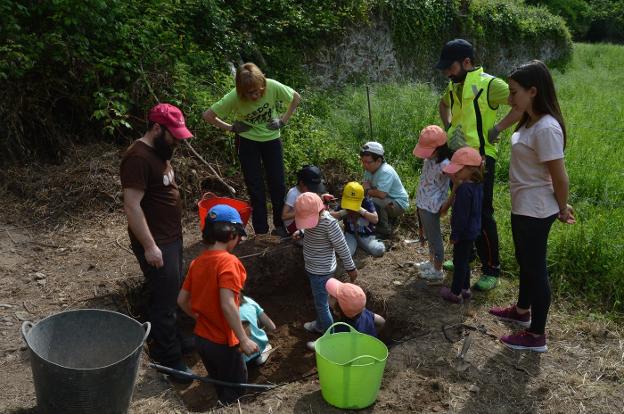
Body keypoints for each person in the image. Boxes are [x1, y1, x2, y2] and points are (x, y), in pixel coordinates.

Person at [489, 60, 575, 352]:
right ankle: (522, 311)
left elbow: (559, 176)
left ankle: (536, 335)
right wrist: (499, 126)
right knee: (526, 262)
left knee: (535, 269)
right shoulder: (529, 119)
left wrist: (563, 208)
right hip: (524, 205)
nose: (510, 100)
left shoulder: (546, 128)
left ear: (533, 91)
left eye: (514, 93)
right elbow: (512, 117)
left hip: (536, 210)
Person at [436, 38, 521, 291]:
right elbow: (443, 104)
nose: (446, 73)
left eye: (449, 67)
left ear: (467, 62)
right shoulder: (454, 86)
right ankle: (466, 255)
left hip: (481, 162)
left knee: (482, 213)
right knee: (461, 207)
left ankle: (491, 267)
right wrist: (449, 126)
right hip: (458, 159)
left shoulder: (490, 85)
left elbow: (521, 103)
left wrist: (498, 127)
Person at [120, 103, 193, 381]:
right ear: (156, 128)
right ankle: (169, 359)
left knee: (171, 292)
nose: (178, 141)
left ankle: (175, 340)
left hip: (169, 237)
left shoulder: (160, 150)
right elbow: (132, 206)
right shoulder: (137, 158)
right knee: (164, 301)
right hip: (157, 241)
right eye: (174, 135)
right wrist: (150, 246)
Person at [203, 63, 301, 237]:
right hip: (247, 142)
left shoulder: (271, 85)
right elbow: (208, 115)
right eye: (250, 93)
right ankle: (261, 231)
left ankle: (280, 226)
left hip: (271, 140)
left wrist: (283, 120)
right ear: (241, 91)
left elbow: (296, 98)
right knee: (255, 187)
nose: (256, 95)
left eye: (259, 91)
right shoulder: (234, 96)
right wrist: (231, 128)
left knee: (277, 184)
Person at [177, 204, 259, 404]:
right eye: (239, 235)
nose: (239, 241)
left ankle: (223, 402)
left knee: (220, 382)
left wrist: (200, 317)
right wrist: (244, 339)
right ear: (231, 234)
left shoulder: (197, 262)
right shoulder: (229, 263)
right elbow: (227, 304)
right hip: (224, 342)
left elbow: (181, 300)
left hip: (202, 340)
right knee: (237, 387)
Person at [293, 192, 358, 334]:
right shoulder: (314, 217)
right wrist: (302, 232)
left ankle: (330, 336)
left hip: (321, 272)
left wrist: (350, 267)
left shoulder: (329, 223)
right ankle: (320, 324)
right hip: (313, 268)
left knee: (321, 305)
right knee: (321, 301)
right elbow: (309, 226)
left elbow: (342, 247)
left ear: (319, 210)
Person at [439, 147, 484, 303]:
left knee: (459, 263)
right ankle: (465, 289)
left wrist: (455, 235)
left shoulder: (464, 189)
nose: (455, 173)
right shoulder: (478, 186)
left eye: (458, 170)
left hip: (463, 232)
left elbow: (460, 216)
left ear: (470, 169)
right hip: (473, 230)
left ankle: (455, 293)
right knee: (465, 261)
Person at [412, 125, 453, 281]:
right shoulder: (430, 159)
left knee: (435, 238)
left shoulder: (445, 165)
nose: (426, 155)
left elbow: (456, 182)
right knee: (429, 235)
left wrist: (447, 203)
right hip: (423, 202)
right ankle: (431, 262)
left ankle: (437, 270)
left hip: (433, 205)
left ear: (439, 148)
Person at [306, 278, 385, 350]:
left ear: (337, 311)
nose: (328, 295)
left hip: (355, 356)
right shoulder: (364, 312)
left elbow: (330, 345)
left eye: (331, 296)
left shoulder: (341, 329)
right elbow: (381, 321)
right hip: (370, 347)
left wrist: (317, 345)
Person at [360, 141, 409, 238]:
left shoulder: (386, 171)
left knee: (374, 200)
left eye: (368, 162)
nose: (365, 165)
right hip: (388, 200)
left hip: (398, 203)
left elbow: (381, 194)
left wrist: (367, 190)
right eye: (363, 161)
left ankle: (384, 230)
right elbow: (365, 186)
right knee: (366, 199)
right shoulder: (369, 170)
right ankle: (384, 220)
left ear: (378, 160)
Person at [331, 181, 385, 257]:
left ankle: (376, 242)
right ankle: (354, 245)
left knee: (378, 250)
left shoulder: (366, 202)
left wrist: (361, 210)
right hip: (350, 234)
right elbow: (330, 216)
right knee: (345, 253)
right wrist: (344, 212)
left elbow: (375, 219)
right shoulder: (344, 204)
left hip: (366, 235)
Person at [282, 165, 327, 235]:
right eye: (311, 187)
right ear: (301, 183)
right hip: (293, 224)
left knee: (324, 214)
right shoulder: (293, 193)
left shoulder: (309, 190)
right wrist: (303, 210)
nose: (313, 190)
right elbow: (284, 216)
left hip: (305, 218)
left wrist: (323, 199)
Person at [239, 293, 276, 365]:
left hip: (235, 358)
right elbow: (272, 327)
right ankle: (261, 353)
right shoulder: (249, 301)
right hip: (256, 350)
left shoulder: (219, 311)